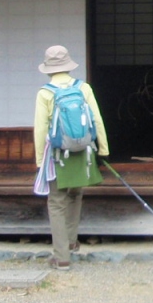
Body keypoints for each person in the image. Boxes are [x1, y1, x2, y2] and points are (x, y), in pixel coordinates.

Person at [33, 45, 109, 269]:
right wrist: (103, 150)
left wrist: (39, 160)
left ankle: (61, 256)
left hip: (58, 154)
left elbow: (40, 129)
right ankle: (72, 242)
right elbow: (97, 120)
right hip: (83, 152)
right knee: (76, 195)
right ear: (68, 65)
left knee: (57, 202)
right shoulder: (83, 88)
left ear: (48, 68)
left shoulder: (45, 93)